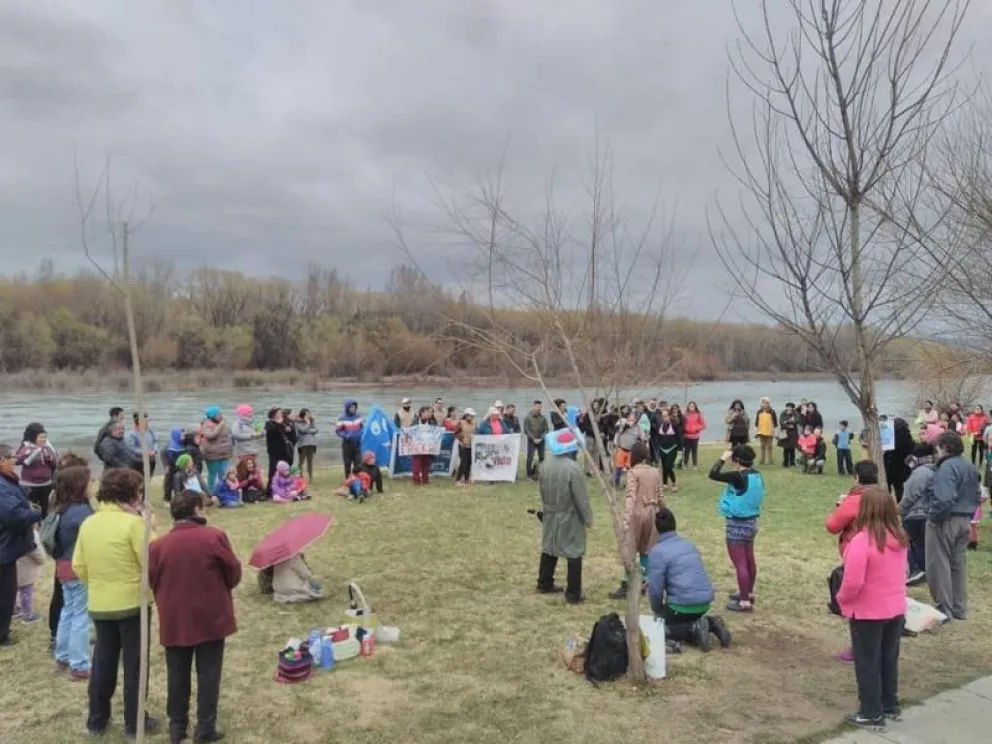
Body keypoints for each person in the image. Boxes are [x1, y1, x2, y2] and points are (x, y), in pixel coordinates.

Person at [73, 467, 160, 738]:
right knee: (135, 665)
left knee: (103, 662)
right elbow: (153, 561)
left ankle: (97, 721)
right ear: (131, 495)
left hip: (101, 604)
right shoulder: (134, 524)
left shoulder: (89, 523)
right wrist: (150, 527)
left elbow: (79, 564)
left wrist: (97, 585)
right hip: (132, 604)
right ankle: (135, 723)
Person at [149, 490, 241, 743]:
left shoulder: (158, 546)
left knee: (176, 674)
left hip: (175, 618)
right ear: (197, 510)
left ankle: (177, 728)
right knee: (208, 673)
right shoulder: (214, 537)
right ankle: (204, 728)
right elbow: (233, 573)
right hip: (210, 616)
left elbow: (152, 579)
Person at [835, 486, 908, 731]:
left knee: (867, 661)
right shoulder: (899, 538)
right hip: (895, 608)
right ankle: (889, 704)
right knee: (889, 659)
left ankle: (870, 712)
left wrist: (842, 599)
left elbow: (852, 581)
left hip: (868, 611)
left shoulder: (862, 541)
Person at [647, 507, 732, 651]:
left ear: (655, 530)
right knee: (683, 616)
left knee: (658, 629)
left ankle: (693, 629)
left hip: (681, 606)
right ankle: (710, 622)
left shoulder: (657, 552)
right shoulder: (688, 544)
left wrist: (658, 610)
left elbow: (655, 590)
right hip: (704, 602)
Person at [925, 431, 981, 620]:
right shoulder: (970, 466)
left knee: (939, 562)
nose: (936, 451)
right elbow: (977, 495)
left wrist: (933, 517)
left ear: (945, 448)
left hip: (946, 519)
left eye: (938, 447)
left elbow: (944, 498)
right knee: (958, 564)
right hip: (965, 519)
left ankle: (944, 607)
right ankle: (958, 607)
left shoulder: (946, 468)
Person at [536, 432, 593, 604]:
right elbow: (580, 497)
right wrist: (588, 517)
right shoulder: (573, 468)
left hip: (549, 511)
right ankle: (573, 593)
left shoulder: (544, 464)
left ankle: (544, 582)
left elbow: (541, 489)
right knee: (574, 551)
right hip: (568, 513)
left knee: (549, 546)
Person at [50, 465, 95, 680]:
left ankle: (63, 654)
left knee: (68, 611)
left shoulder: (61, 508)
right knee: (81, 616)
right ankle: (79, 664)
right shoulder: (81, 511)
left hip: (63, 565)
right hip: (78, 567)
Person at [709, 445, 764, 613]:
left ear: (737, 460)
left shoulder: (737, 476)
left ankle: (745, 602)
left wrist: (722, 458)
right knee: (749, 560)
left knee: (740, 563)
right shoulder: (757, 475)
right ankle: (748, 592)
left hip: (736, 524)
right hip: (752, 522)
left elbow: (713, 474)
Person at [0, 443, 44, 647]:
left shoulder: (7, 482)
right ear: (2, 460)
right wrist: (36, 513)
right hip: (4, 550)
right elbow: (13, 517)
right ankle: (2, 635)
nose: (15, 461)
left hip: (7, 547)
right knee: (6, 594)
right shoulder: (2, 486)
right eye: (11, 458)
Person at [609, 442, 661, 599]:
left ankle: (627, 583)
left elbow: (631, 497)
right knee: (647, 548)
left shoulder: (633, 473)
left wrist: (626, 519)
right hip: (653, 512)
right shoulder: (655, 472)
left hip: (637, 514)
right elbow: (660, 495)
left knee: (630, 549)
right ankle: (646, 581)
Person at [826, 460, 879, 558]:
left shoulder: (854, 500)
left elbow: (832, 526)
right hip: (883, 549)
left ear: (857, 478)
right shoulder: (887, 499)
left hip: (857, 551)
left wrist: (838, 508)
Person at [900, 444, 934, 587]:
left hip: (916, 514)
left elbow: (911, 493)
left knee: (908, 542)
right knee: (922, 545)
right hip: (927, 513)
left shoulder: (921, 472)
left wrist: (900, 508)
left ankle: (916, 569)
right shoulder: (935, 471)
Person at [15, 422, 58, 518]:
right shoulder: (25, 448)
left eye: (44, 437)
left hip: (46, 484)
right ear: (33, 438)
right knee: (30, 507)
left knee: (44, 508)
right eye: (40, 437)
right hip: (29, 485)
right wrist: (27, 454)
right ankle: (32, 526)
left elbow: (55, 464)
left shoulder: (47, 448)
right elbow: (16, 461)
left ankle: (43, 525)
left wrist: (49, 458)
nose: (43, 440)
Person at [13, 525, 44, 623]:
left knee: (13, 589)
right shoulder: (30, 534)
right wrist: (42, 560)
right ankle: (28, 614)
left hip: (13, 566)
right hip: (26, 567)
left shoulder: (10, 530)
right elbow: (36, 552)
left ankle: (13, 609)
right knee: (26, 591)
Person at [200, 407, 233, 491]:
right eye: (219, 414)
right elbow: (210, 435)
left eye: (221, 413)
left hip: (225, 455)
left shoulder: (223, 423)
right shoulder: (206, 424)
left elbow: (229, 435)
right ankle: (211, 491)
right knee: (212, 474)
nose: (221, 415)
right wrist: (220, 426)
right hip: (212, 456)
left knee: (224, 473)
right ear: (212, 416)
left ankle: (223, 490)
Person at [264, 408, 293, 494]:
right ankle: (270, 490)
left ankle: (285, 488)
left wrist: (289, 429)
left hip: (284, 450)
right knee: (273, 470)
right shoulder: (269, 423)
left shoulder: (284, 423)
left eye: (280, 413)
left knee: (285, 470)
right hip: (274, 451)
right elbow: (272, 431)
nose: (280, 414)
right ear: (273, 415)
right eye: (278, 413)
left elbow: (290, 434)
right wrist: (279, 423)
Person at [613, 411, 644, 487]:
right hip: (620, 448)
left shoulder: (638, 426)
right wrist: (628, 425)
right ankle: (615, 483)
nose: (636, 419)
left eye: (638, 417)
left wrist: (640, 440)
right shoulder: (623, 420)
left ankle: (627, 483)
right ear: (630, 415)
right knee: (618, 467)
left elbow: (642, 437)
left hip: (630, 450)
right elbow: (618, 429)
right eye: (634, 416)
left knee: (629, 468)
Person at [888, 419, 915, 502]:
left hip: (891, 465)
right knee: (900, 488)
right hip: (903, 466)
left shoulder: (890, 438)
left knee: (887, 487)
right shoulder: (908, 437)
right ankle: (901, 504)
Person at [335, 399, 364, 479]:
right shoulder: (342, 418)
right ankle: (348, 479)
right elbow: (338, 431)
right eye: (351, 407)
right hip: (347, 444)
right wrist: (345, 435)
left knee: (358, 463)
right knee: (347, 463)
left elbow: (362, 427)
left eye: (354, 407)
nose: (353, 409)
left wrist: (360, 434)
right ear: (347, 408)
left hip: (357, 443)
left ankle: (358, 480)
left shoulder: (358, 416)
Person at [125, 413, 159, 477]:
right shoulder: (131, 435)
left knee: (149, 477)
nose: (148, 423)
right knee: (138, 478)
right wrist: (147, 452)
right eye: (146, 421)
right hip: (138, 461)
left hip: (151, 459)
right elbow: (133, 449)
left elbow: (155, 441)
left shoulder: (150, 430)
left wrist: (155, 449)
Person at [523, 401, 549, 479]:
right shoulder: (528, 417)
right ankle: (529, 473)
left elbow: (546, 429)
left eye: (540, 407)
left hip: (541, 440)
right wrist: (533, 439)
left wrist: (541, 438)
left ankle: (541, 472)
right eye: (537, 406)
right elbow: (526, 430)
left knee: (542, 457)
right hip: (532, 440)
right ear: (533, 407)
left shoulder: (543, 417)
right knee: (530, 457)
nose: (539, 408)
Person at [657, 409, 681, 491]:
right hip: (662, 449)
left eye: (666, 415)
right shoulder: (660, 424)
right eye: (663, 416)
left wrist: (680, 450)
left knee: (669, 467)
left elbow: (679, 437)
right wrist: (658, 445)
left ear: (669, 416)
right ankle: (664, 484)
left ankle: (674, 483)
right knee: (664, 467)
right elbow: (658, 437)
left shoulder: (674, 425)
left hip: (672, 448)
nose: (665, 417)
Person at [161, 428, 187, 503]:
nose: (184, 437)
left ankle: (179, 496)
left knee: (179, 481)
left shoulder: (182, 443)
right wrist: (166, 465)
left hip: (178, 465)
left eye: (184, 435)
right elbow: (165, 456)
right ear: (177, 436)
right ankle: (167, 499)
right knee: (169, 481)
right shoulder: (170, 447)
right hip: (171, 465)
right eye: (182, 435)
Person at [454, 409, 476, 487]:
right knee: (463, 462)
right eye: (470, 416)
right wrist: (461, 439)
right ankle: (458, 479)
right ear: (466, 415)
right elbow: (456, 433)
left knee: (469, 463)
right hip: (462, 445)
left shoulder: (474, 423)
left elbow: (476, 432)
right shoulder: (461, 423)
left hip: (471, 445)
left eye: (473, 416)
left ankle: (467, 479)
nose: (472, 417)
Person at [295, 409, 318, 482]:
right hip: (303, 445)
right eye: (307, 414)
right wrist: (308, 425)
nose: (308, 416)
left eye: (309, 414)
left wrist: (312, 422)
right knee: (301, 462)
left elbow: (316, 430)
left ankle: (311, 477)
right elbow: (302, 430)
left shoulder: (311, 422)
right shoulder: (298, 423)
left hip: (311, 444)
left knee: (310, 461)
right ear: (303, 415)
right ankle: (300, 477)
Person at [681, 402, 706, 470]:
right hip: (686, 436)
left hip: (695, 436)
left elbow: (703, 425)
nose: (691, 407)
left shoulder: (698, 414)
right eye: (690, 406)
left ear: (695, 407)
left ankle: (695, 465)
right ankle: (685, 464)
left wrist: (696, 428)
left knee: (694, 451)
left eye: (693, 406)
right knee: (686, 450)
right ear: (688, 407)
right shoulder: (685, 415)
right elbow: (682, 423)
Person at [754, 397, 777, 465]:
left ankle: (770, 460)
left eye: (767, 403)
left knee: (769, 447)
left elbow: (775, 423)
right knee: (762, 446)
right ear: (762, 403)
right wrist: (756, 431)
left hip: (769, 432)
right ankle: (762, 460)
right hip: (761, 432)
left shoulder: (772, 412)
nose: (765, 404)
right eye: (764, 402)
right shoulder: (759, 411)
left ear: (769, 404)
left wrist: (774, 431)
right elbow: (756, 423)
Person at [779, 402, 801, 468]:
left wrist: (788, 422)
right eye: (787, 407)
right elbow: (781, 422)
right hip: (785, 432)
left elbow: (797, 421)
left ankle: (792, 463)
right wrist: (789, 426)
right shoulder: (783, 413)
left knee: (792, 448)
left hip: (793, 433)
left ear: (792, 408)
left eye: (790, 407)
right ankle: (785, 462)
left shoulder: (796, 413)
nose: (788, 408)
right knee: (785, 448)